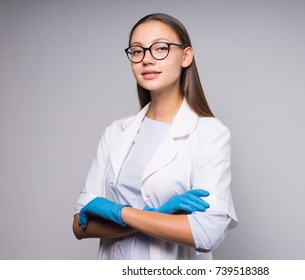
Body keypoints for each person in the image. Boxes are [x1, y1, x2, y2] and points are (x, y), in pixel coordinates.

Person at [72, 13, 238, 260]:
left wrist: (118, 212)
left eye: (160, 48)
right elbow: (80, 225)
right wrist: (160, 214)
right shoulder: (116, 132)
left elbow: (206, 232)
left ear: (186, 56)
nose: (147, 60)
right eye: (137, 51)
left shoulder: (210, 133)